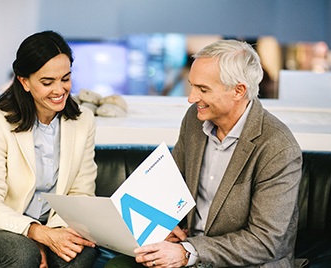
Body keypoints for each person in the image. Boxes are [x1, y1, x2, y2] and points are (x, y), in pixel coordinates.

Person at [105, 40, 303, 267]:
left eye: (203, 89)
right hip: (189, 248)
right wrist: (165, 226)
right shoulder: (195, 119)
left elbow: (263, 242)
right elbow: (172, 181)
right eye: (192, 85)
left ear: (238, 90)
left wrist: (187, 252)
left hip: (244, 262)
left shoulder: (277, 146)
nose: (191, 98)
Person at [0, 31, 98, 268]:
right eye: (47, 82)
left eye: (65, 78)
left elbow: (82, 193)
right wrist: (34, 233)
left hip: (53, 226)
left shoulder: (83, 121)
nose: (59, 90)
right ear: (24, 82)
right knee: (24, 253)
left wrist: (52, 236)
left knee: (77, 256)